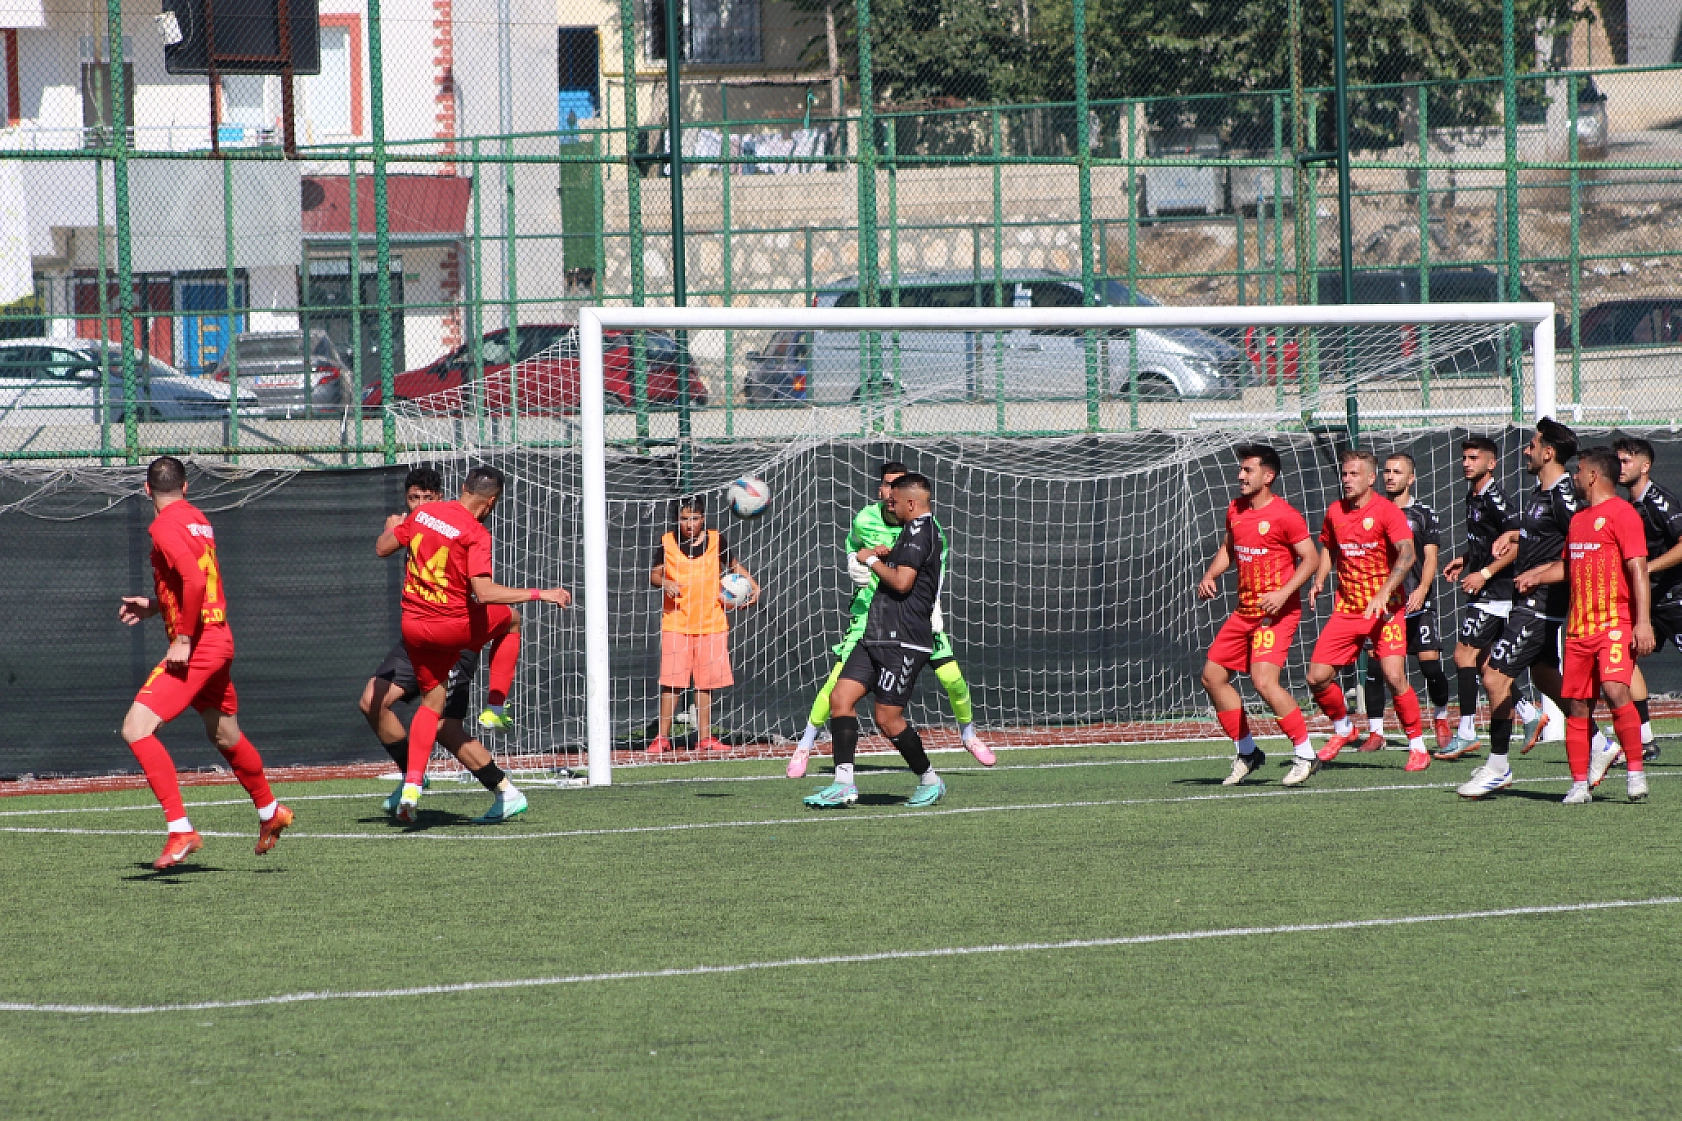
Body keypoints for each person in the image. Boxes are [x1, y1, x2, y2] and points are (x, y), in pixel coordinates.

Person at [117, 456, 293, 870]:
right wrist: (155, 607)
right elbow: (192, 584)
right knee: (225, 734)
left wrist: (181, 638)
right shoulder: (198, 519)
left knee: (136, 729)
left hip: (196, 646)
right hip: (218, 638)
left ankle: (181, 829)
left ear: (147, 490)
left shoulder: (162, 526)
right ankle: (270, 812)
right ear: (186, 488)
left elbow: (195, 581)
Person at [375, 465, 570, 824]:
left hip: (414, 626)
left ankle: (413, 785)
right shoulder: (475, 532)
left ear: (462, 487)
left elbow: (382, 547)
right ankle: (496, 705)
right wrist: (541, 593)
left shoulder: (424, 514)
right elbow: (483, 592)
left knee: (432, 708)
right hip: (452, 628)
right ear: (492, 501)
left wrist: (392, 529)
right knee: (510, 618)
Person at [788, 461, 992, 779]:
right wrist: (857, 563)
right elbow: (854, 552)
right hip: (869, 616)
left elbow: (924, 577)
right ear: (881, 488)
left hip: (911, 621)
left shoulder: (925, 529)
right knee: (838, 688)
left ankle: (967, 735)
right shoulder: (865, 519)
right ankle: (806, 746)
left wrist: (932, 608)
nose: (890, 493)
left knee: (950, 679)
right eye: (886, 485)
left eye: (897, 487)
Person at [1458, 419, 1611, 799]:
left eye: (1532, 445)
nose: (1526, 451)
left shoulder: (1563, 496)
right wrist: (1514, 535)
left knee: (1494, 677)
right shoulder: (1540, 491)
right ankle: (1599, 743)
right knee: (1544, 677)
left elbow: (1579, 551)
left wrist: (1540, 577)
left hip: (1541, 605)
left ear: (1548, 452)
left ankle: (1497, 766)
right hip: (1528, 601)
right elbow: (1541, 536)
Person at [803, 473, 949, 809]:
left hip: (904, 641)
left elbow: (901, 583)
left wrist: (870, 560)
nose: (889, 505)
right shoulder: (908, 533)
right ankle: (843, 783)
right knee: (840, 697)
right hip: (876, 634)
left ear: (911, 503)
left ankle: (929, 778)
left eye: (894, 501)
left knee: (887, 719)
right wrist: (879, 555)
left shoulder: (921, 530)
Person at [1529, 446, 1653, 802]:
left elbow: (1638, 569)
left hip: (1614, 622)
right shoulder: (1579, 519)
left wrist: (1642, 622)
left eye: (1579, 471)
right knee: (1578, 705)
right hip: (1578, 629)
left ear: (1594, 475)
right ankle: (1579, 782)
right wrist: (1535, 576)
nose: (1575, 477)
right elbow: (1569, 567)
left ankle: (1635, 773)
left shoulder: (1623, 513)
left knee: (1616, 690)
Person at [1194, 443, 1321, 786]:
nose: (1240, 476)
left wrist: (1283, 593)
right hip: (1244, 612)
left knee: (1263, 681)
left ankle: (1307, 753)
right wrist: (1210, 574)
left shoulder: (1285, 515)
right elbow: (1228, 548)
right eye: (1241, 469)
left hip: (1274, 615)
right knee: (1212, 677)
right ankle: (1247, 751)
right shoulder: (1236, 508)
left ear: (1269, 476)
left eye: (1248, 470)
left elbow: (1311, 558)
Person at [1299, 450, 1427, 783]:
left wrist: (1385, 592)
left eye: (1354, 474)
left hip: (1386, 611)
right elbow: (1329, 547)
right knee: (1316, 677)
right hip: (1348, 609)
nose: (1346, 480)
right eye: (1344, 474)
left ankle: (1418, 747)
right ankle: (1344, 729)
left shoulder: (1386, 512)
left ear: (1371, 478)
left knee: (1394, 676)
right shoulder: (1335, 511)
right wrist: (1320, 580)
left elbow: (1409, 552)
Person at [648, 495, 759, 753]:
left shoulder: (716, 540)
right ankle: (662, 738)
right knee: (672, 682)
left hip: (711, 621)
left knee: (705, 683)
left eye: (695, 518)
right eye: (685, 518)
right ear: (678, 519)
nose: (690, 523)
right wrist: (665, 582)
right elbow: (654, 573)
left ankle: (705, 737)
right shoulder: (667, 542)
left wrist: (753, 584)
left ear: (703, 518)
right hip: (677, 621)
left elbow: (733, 566)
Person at [1358, 453, 1452, 751]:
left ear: (1411, 478)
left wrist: (1423, 589)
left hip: (1415, 600)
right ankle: (1376, 732)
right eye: (1386, 471)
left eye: (1397, 472)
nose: (1390, 476)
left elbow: (1431, 557)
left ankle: (1440, 717)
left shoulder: (1423, 514)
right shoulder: (1370, 512)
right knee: (1377, 668)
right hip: (1384, 604)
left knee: (1430, 666)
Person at [1435, 437, 1519, 760]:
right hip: (1485, 590)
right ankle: (1527, 713)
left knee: (1462, 656)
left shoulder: (1496, 498)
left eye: (1474, 458)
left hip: (1495, 593)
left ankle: (1467, 732)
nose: (1466, 463)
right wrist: (1467, 559)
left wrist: (1484, 573)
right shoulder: (1474, 496)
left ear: (1492, 463)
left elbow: (1517, 543)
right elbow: (1489, 542)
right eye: (1464, 457)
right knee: (1487, 664)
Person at [1615, 436, 1682, 761]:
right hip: (1649, 605)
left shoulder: (1660, 501)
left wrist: (1646, 569)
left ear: (1645, 466)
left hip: (1676, 600)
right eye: (1618, 461)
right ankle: (1644, 739)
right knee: (1624, 658)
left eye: (1626, 461)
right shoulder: (1626, 506)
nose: (1620, 467)